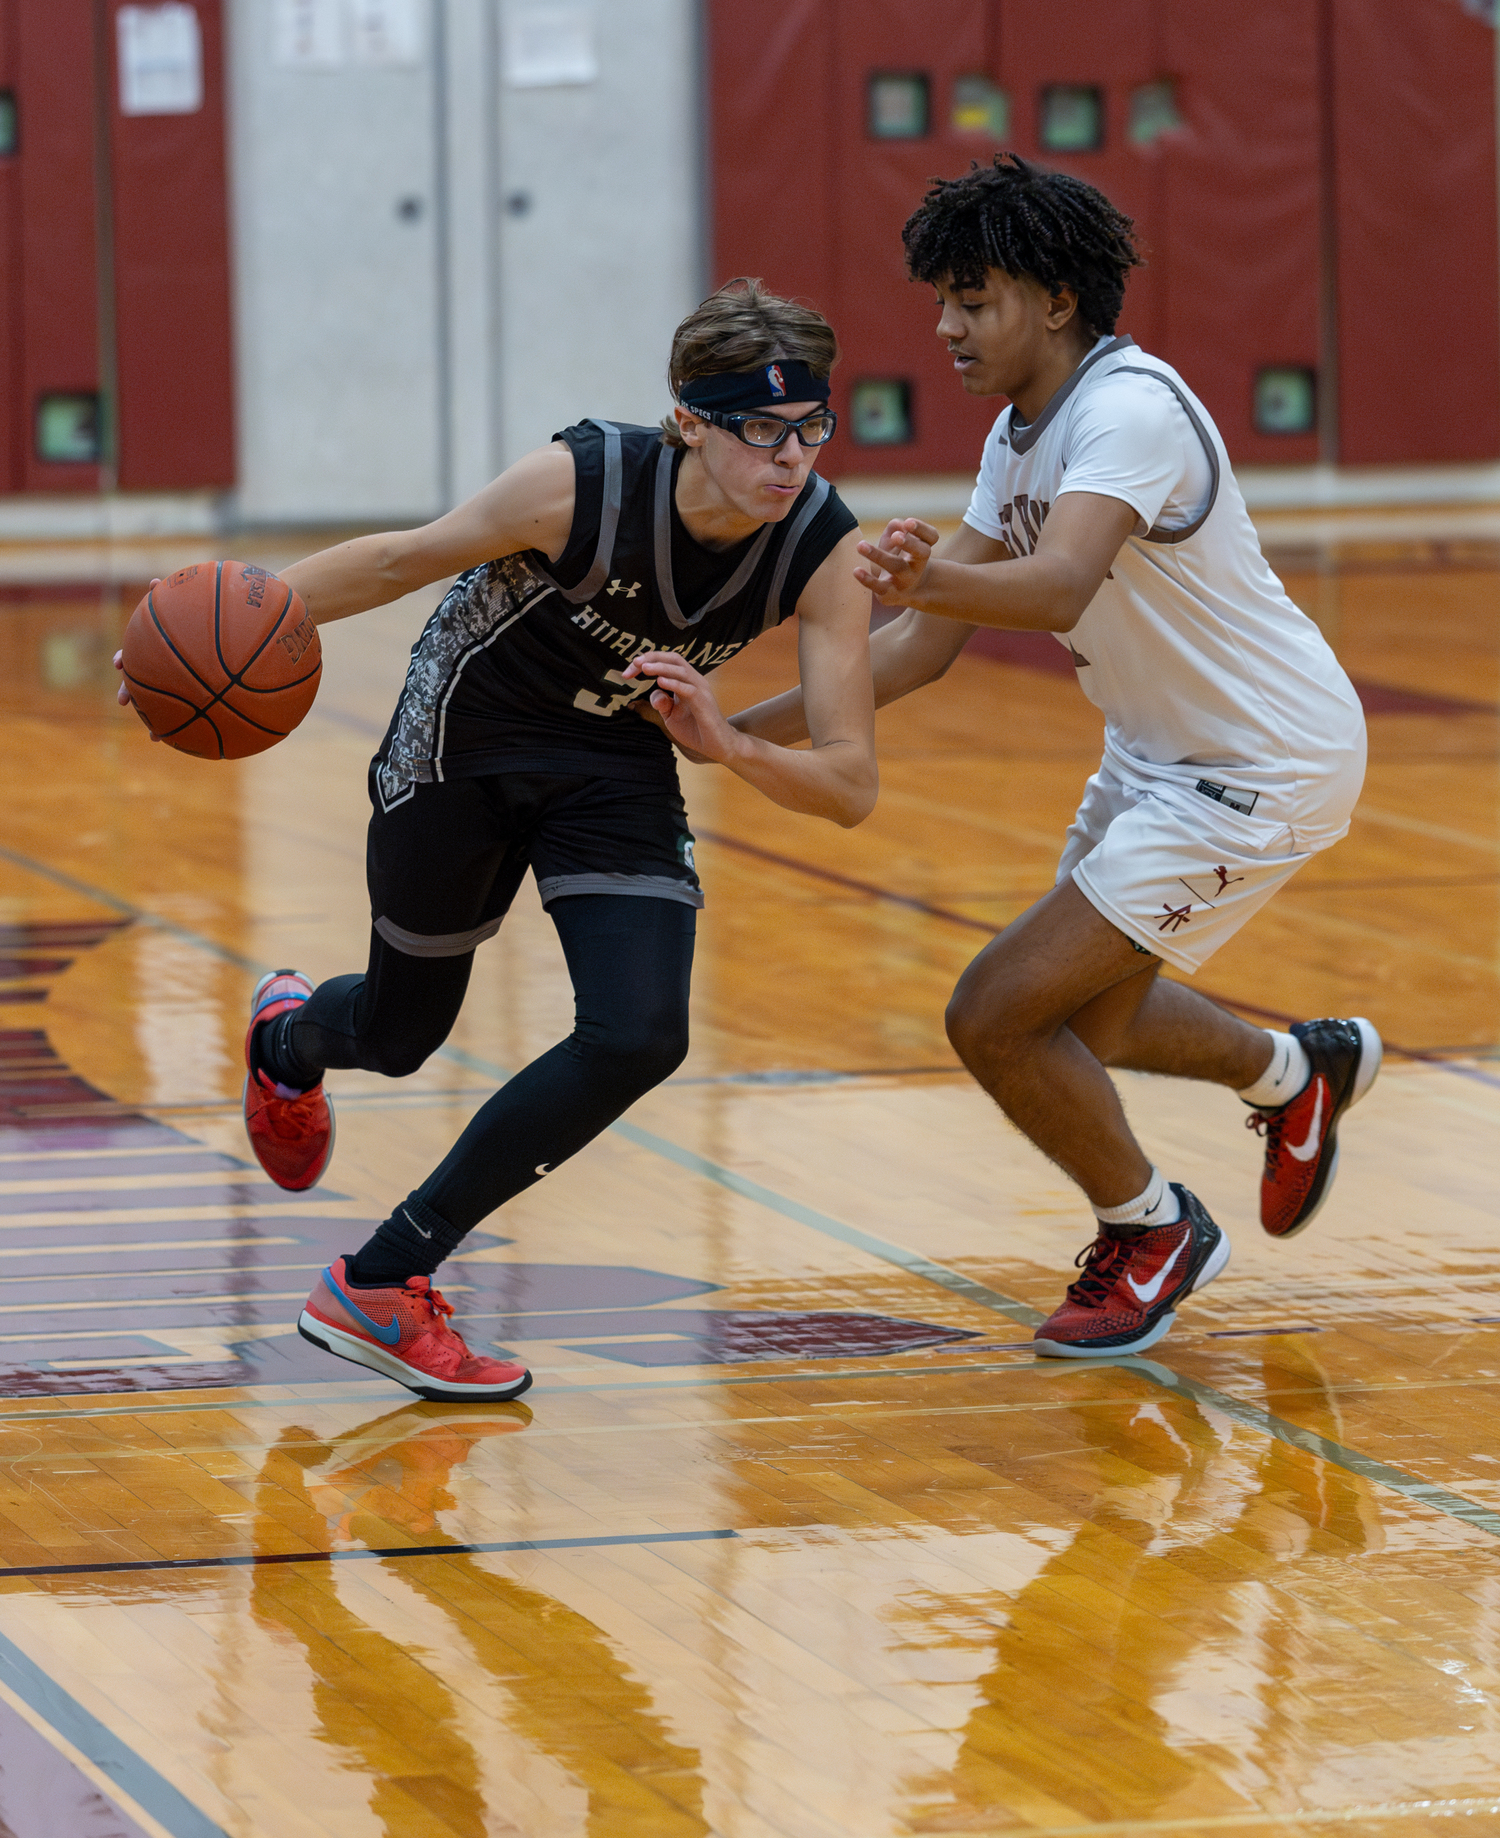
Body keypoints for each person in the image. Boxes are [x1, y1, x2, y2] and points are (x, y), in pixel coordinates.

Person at [129, 280, 875, 1401]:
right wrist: (201, 630)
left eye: (812, 426)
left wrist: (729, 747)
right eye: (759, 430)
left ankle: (384, 1278)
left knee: (639, 1035)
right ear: (689, 421)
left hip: (617, 758)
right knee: (398, 1034)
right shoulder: (580, 483)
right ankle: (288, 1041)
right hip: (464, 736)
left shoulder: (822, 550)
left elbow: (852, 784)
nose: (791, 458)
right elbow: (399, 562)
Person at [734, 156, 1379, 1360]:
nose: (945, 327)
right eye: (942, 300)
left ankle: (1151, 1230)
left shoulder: (1128, 408)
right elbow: (923, 649)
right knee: (1092, 1020)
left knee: (997, 1014)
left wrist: (939, 573)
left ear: (1055, 302)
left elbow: (1060, 580)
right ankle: (1298, 1073)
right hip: (1157, 755)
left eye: (972, 299)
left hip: (1261, 763)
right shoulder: (1016, 434)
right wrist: (727, 733)